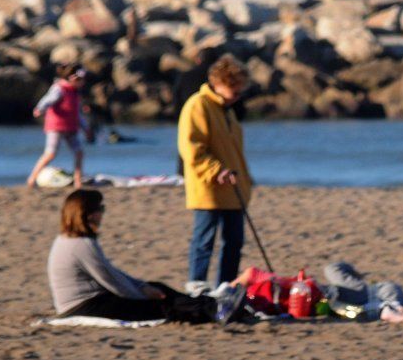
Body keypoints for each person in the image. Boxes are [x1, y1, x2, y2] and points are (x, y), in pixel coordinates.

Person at [47, 189, 245, 324]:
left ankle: (212, 304)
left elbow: (112, 273)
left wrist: (143, 286)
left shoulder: (71, 240)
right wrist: (142, 295)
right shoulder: (81, 245)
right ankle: (215, 310)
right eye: (100, 209)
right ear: (87, 215)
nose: (102, 214)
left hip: (91, 300)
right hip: (84, 306)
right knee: (160, 304)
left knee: (158, 287)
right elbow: (112, 281)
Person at [178, 54, 254, 295]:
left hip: (233, 187)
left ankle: (226, 285)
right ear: (221, 83)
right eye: (235, 90)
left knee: (234, 242)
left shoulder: (227, 110)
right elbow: (192, 148)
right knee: (205, 239)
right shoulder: (198, 105)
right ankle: (197, 285)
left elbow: (233, 150)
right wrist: (215, 171)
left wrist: (244, 178)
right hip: (208, 188)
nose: (238, 95)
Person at [27, 64, 91, 190]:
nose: (83, 83)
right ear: (73, 79)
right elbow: (48, 100)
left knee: (79, 153)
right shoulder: (60, 89)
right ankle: (32, 178)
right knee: (50, 154)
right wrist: (40, 109)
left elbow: (77, 113)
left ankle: (78, 181)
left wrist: (86, 128)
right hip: (56, 126)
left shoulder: (75, 93)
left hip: (71, 127)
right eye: (81, 80)